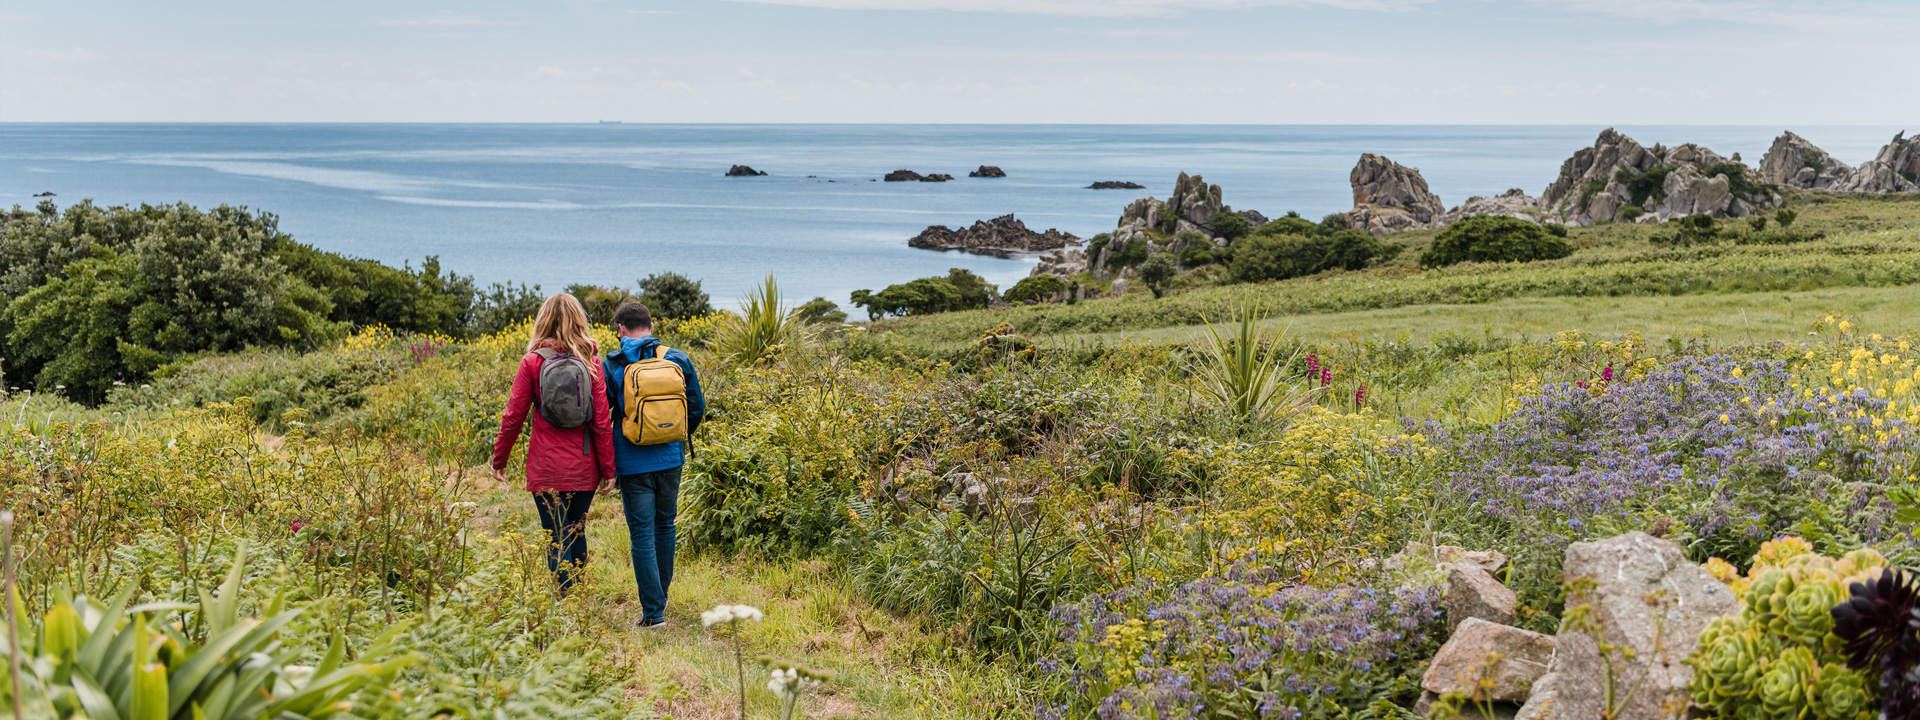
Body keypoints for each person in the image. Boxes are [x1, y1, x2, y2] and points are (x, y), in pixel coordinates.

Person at [492, 293, 616, 593]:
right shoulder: (591, 362)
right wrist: (609, 469)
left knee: (555, 535)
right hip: (584, 466)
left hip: (546, 466)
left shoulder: (532, 362)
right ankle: (579, 596)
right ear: (579, 321)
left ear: (542, 321)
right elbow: (601, 422)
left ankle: (564, 600)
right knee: (577, 531)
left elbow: (513, 417)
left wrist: (499, 460)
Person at [603, 302, 705, 629]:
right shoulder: (677, 358)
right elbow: (697, 408)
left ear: (621, 329)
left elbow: (604, 418)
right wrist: (673, 433)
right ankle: (660, 600)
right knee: (666, 525)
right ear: (651, 324)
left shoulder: (614, 364)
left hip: (632, 461)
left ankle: (654, 613)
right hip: (671, 457)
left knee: (642, 534)